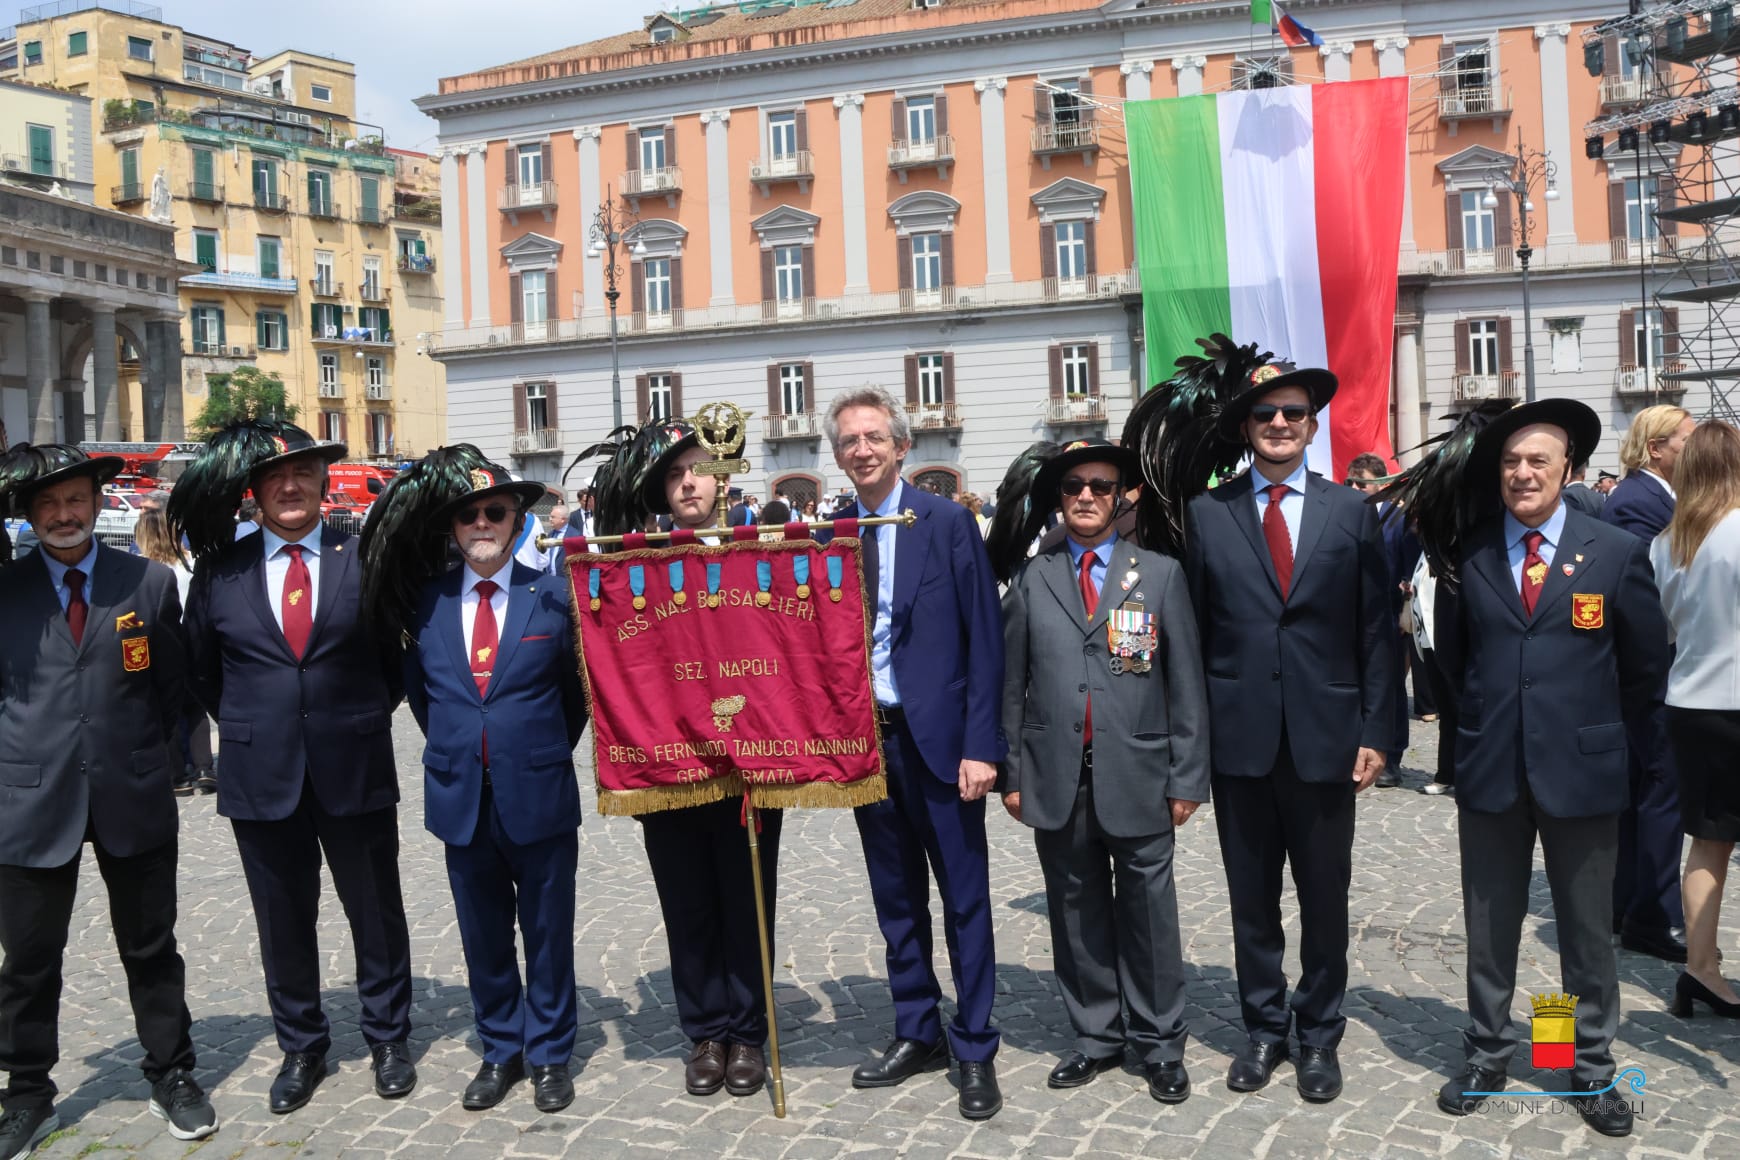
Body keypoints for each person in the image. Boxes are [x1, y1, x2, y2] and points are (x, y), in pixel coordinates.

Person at [1433, 399, 1670, 1138]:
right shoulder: (1468, 554)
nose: (1522, 473)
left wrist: (1627, 755)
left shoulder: (1613, 553)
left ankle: (1583, 1062)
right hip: (1493, 770)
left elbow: (1643, 669)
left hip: (1583, 771)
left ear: (1568, 468)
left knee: (1583, 931)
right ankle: (1488, 1050)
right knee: (1490, 924)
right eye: (1510, 462)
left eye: (1538, 460)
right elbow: (1453, 661)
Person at [174, 421, 416, 1115]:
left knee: (376, 911)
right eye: (275, 477)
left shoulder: (364, 557)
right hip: (261, 771)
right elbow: (201, 669)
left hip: (354, 761)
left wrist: (352, 715)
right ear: (253, 492)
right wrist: (258, 721)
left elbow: (395, 666)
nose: (289, 486)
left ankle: (388, 1037)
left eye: (302, 473)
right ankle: (302, 1045)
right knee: (282, 919)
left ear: (322, 483)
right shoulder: (222, 569)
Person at [1183, 361, 1393, 1104]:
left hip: (1326, 738)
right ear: (1246, 426)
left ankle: (1319, 1035)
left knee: (1325, 897)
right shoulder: (1209, 514)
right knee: (1251, 900)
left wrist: (1378, 728)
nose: (1280, 424)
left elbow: (1375, 629)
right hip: (1240, 742)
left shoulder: (1350, 512)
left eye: (1294, 413)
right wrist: (1192, 743)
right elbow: (1196, 635)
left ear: (1311, 424)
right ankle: (1264, 1028)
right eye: (1266, 413)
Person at [0, 444, 217, 1157]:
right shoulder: (5, 590)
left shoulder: (148, 584)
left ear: (97, 506)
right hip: (30, 801)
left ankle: (173, 1073)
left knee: (152, 948)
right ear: (31, 514)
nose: (64, 515)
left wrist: (141, 758)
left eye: (75, 502)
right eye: (48, 505)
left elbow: (173, 691)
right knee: (29, 960)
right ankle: (27, 1094)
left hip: (132, 790)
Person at [376, 450, 590, 1112]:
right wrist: (468, 746)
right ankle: (501, 1046)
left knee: (548, 931)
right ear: (452, 529)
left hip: (539, 790)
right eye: (467, 516)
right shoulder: (428, 604)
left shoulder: (553, 598)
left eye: (494, 512)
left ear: (516, 518)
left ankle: (551, 1052)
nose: (481, 524)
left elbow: (574, 699)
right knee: (484, 933)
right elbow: (423, 697)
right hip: (461, 795)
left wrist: (531, 749)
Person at [998, 438, 1208, 1103]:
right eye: (1073, 487)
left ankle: (1159, 1042)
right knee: (1076, 910)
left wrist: (1187, 776)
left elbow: (1186, 685)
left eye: (1099, 486)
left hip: (1140, 771)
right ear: (1058, 500)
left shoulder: (1160, 575)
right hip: (1056, 775)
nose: (1085, 496)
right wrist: (1011, 771)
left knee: (1150, 913)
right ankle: (1094, 1035)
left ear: (1121, 498)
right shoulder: (1036, 578)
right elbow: (1012, 683)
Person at [589, 421, 784, 1101]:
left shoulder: (758, 554)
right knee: (687, 903)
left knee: (747, 897)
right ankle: (706, 1031)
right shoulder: (634, 561)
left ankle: (749, 1034)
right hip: (667, 762)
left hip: (746, 764)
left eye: (697, 471)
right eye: (674, 477)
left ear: (723, 480)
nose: (687, 485)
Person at [828, 387, 1007, 1120]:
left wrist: (980, 747)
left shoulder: (946, 522)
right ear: (838, 457)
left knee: (964, 902)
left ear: (902, 447)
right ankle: (916, 1030)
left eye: (874, 437)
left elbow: (984, 638)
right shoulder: (830, 534)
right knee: (896, 899)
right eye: (849, 441)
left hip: (941, 746)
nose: (862, 449)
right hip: (868, 748)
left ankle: (974, 1046)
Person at [1650, 421, 1740, 1019]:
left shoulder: (1667, 542)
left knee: (1708, 842)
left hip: (1690, 701)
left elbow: (1669, 629)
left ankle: (1700, 969)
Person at [1604, 403, 1696, 964]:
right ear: (1656, 447)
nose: (1694, 446)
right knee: (1663, 786)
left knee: (1645, 789)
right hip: (1648, 668)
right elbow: (1648, 587)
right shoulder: (1637, 502)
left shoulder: (1659, 498)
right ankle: (1654, 913)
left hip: (1657, 663)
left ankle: (1626, 901)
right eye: (1687, 438)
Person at [134, 508, 214, 798]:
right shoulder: (191, 562)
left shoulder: (141, 568)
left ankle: (177, 774)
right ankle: (205, 769)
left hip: (158, 640)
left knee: (162, 705)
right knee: (195, 709)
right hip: (190, 638)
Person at [1347, 452, 1409, 788]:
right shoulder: (1346, 516)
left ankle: (1393, 755)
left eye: (1362, 483)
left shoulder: (1397, 518)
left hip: (1389, 612)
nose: (1356, 488)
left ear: (1380, 484)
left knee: (1391, 687)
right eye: (1351, 482)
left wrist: (1405, 609)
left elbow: (1411, 563)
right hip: (1354, 615)